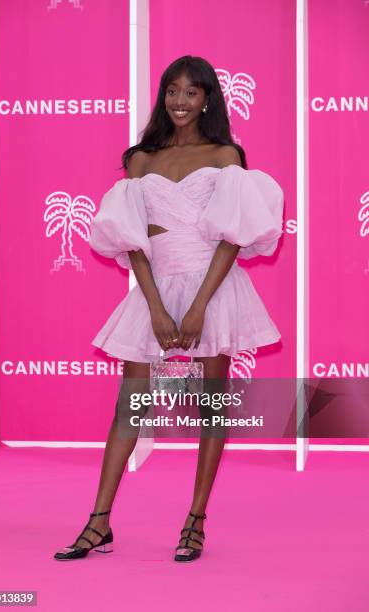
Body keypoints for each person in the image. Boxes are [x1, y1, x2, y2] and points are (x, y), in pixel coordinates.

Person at [54, 55, 284, 563]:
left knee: (211, 406)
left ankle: (196, 521)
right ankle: (98, 523)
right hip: (154, 289)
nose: (180, 101)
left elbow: (231, 236)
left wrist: (200, 305)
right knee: (129, 408)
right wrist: (156, 308)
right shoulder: (140, 158)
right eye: (172, 91)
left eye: (191, 92)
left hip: (214, 289)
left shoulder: (226, 154)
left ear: (208, 100)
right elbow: (133, 242)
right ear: (163, 97)